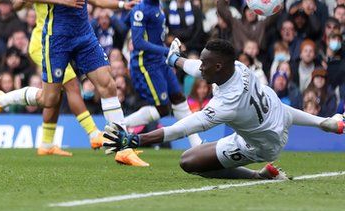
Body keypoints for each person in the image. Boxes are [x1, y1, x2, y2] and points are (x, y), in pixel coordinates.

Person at [103, 38, 344, 177]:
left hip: (263, 144)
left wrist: (137, 140)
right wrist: (174, 60)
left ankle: (259, 176)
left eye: (206, 65)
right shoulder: (236, 67)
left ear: (218, 67)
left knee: (190, 163)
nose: (201, 69)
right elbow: (198, 66)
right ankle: (325, 122)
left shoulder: (226, 105)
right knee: (278, 109)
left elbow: (181, 128)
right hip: (275, 113)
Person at [16, 0, 129, 150]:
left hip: (83, 34)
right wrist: (62, 0)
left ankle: (122, 146)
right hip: (55, 37)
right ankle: (3, 100)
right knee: (50, 98)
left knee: (108, 84)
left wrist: (120, 4)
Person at [0, 0, 136, 155]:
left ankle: (46, 144)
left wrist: (123, 5)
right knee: (71, 87)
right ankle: (93, 134)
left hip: (61, 43)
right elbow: (19, 2)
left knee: (53, 96)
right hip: (43, 44)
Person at [119, 0, 203, 160]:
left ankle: (196, 144)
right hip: (146, 64)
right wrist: (167, 51)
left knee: (180, 98)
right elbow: (138, 43)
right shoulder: (141, 10)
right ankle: (119, 125)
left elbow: (126, 20)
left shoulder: (158, 5)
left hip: (160, 61)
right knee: (163, 109)